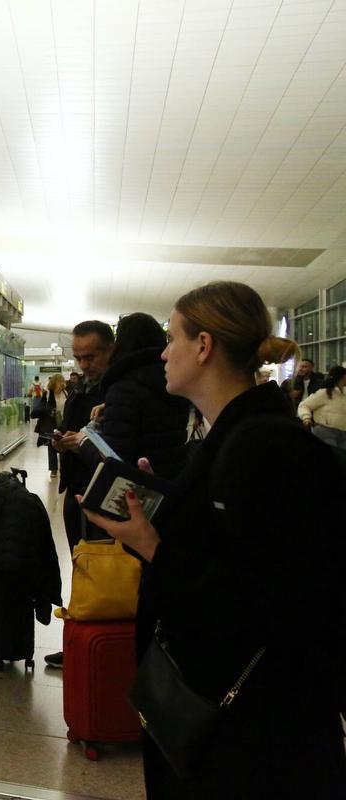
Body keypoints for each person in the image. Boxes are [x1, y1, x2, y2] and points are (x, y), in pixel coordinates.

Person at [84, 282, 346, 797]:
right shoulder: (233, 433)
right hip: (238, 715)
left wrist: (153, 545)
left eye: (172, 338)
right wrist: (163, 497)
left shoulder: (262, 446)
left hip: (252, 729)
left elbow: (263, 598)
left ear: (204, 346)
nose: (162, 352)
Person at [44, 321, 113, 671]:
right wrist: (63, 442)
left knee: (100, 572)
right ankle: (79, 641)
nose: (83, 365)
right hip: (77, 488)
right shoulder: (82, 388)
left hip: (99, 494)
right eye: (78, 357)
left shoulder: (115, 392)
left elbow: (117, 449)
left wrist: (80, 444)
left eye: (91, 356)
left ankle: (96, 645)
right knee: (81, 566)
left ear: (110, 351)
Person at [93, 313, 191, 480]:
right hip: (172, 476)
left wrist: (83, 443)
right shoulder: (174, 381)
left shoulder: (123, 387)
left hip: (138, 484)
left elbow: (116, 457)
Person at [298, 365, 346, 450]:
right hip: (324, 430)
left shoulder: (344, 393)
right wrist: (306, 417)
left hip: (343, 431)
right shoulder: (324, 393)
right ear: (341, 377)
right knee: (330, 457)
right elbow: (304, 405)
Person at [32, 373, 67, 477]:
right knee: (51, 444)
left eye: (63, 382)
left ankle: (63, 467)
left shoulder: (65, 392)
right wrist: (49, 410)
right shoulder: (47, 393)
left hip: (62, 421)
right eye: (60, 382)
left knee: (63, 443)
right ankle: (53, 469)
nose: (62, 384)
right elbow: (40, 408)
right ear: (54, 383)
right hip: (50, 422)